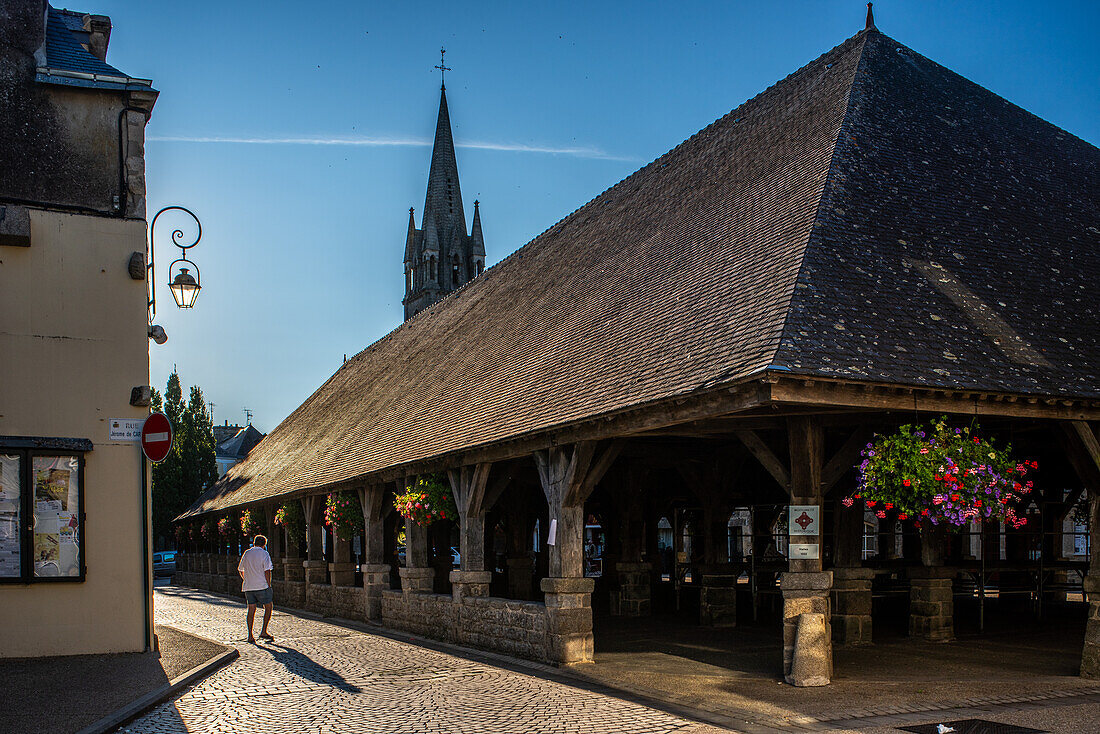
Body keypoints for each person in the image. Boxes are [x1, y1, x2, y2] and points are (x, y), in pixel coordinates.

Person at [238, 534, 274, 643]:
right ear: (264, 544)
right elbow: (267, 570)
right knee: (268, 607)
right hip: (262, 585)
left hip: (249, 586)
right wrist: (269, 585)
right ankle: (263, 631)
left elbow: (240, 569)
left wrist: (246, 579)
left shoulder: (247, 553)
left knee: (251, 609)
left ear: (254, 543)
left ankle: (250, 635)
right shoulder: (264, 554)